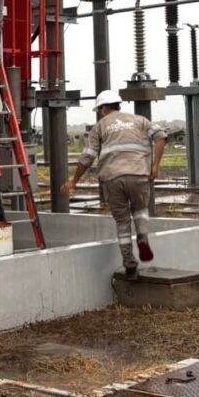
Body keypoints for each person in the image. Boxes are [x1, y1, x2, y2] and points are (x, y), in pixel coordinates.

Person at [61, 90, 168, 278]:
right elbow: (161, 137)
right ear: (118, 104)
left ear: (103, 108)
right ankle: (142, 236)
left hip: (112, 178)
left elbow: (88, 156)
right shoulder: (140, 120)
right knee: (140, 210)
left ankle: (129, 264)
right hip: (138, 174)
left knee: (122, 221)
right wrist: (155, 166)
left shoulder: (99, 127)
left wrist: (73, 181)